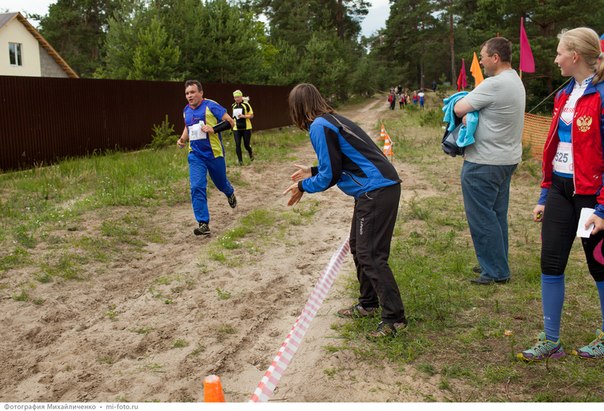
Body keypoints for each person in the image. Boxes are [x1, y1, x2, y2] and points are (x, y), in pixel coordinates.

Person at [283, 83, 407, 338]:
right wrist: (312, 170)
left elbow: (331, 175)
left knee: (370, 254)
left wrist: (303, 186)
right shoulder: (331, 120)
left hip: (376, 190)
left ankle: (395, 319)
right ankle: (368, 304)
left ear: (297, 108)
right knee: (359, 247)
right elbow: (343, 162)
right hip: (377, 188)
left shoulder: (319, 126)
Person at [517, 27, 604, 361]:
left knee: (599, 266)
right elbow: (554, 147)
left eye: (559, 53)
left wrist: (602, 207)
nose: (555, 59)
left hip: (590, 198)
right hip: (560, 191)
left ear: (575, 56)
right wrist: (543, 194)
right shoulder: (563, 94)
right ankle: (551, 341)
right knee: (550, 261)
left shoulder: (600, 94)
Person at [453, 37, 525, 284]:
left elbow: (459, 108)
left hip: (484, 161)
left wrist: (469, 116)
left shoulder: (494, 84)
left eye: (483, 56)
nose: (481, 61)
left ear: (495, 58)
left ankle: (494, 271)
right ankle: (496, 262)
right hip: (506, 159)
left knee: (481, 216)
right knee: (496, 214)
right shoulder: (515, 79)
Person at [177, 80, 238, 236]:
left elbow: (230, 122)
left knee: (221, 184)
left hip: (214, 154)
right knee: (196, 187)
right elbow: (187, 127)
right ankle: (203, 223)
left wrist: (213, 129)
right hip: (196, 155)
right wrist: (183, 139)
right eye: (187, 93)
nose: (189, 96)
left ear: (201, 93)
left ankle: (229, 192)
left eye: (192, 92)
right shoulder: (186, 110)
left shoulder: (211, 106)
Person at [231, 90, 254, 165]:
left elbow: (251, 115)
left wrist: (243, 116)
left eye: (238, 97)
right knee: (237, 144)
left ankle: (250, 153)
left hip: (246, 128)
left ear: (241, 97)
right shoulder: (233, 106)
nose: (237, 99)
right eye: (235, 97)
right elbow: (233, 117)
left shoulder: (246, 105)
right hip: (236, 128)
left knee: (246, 145)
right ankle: (241, 162)